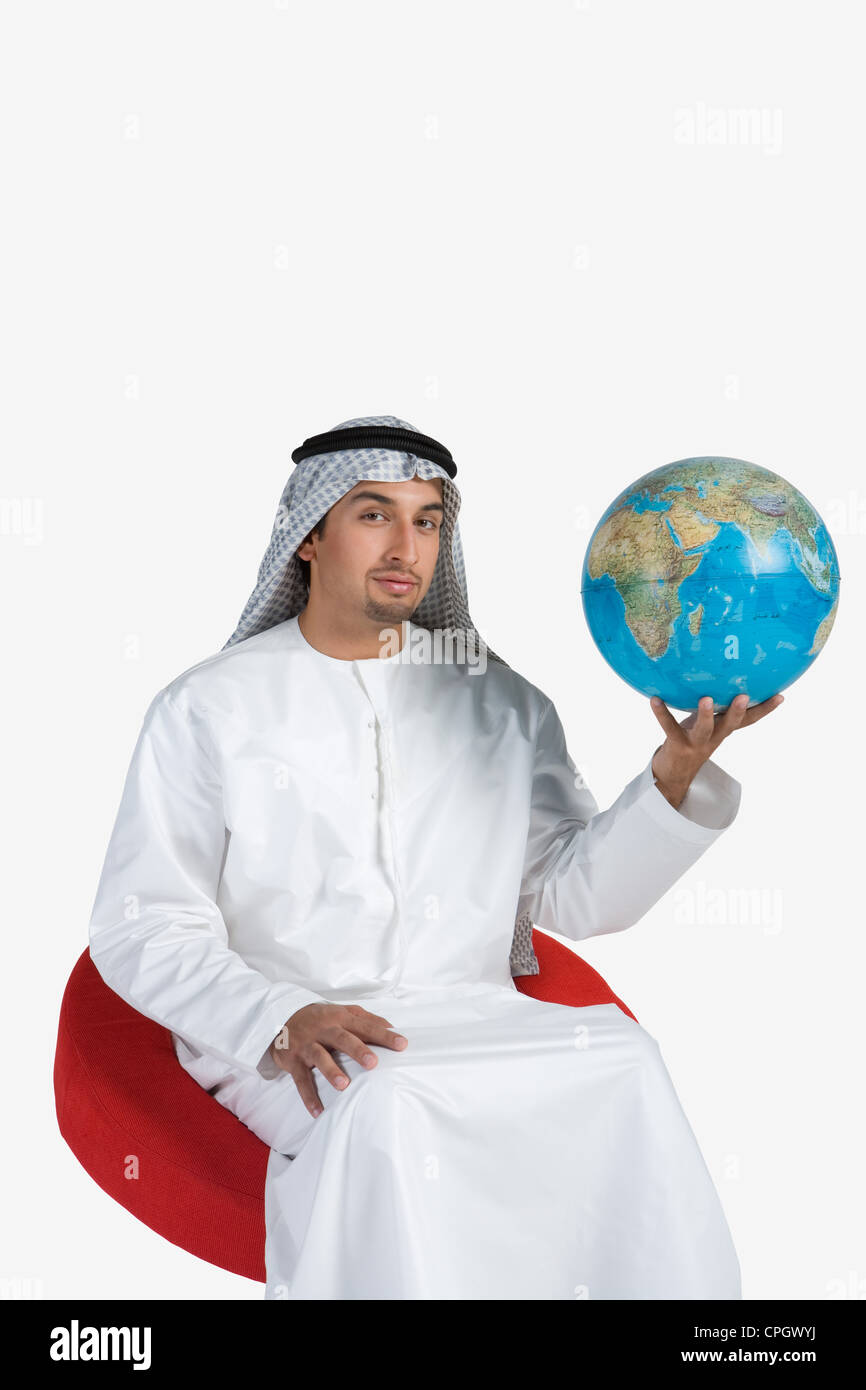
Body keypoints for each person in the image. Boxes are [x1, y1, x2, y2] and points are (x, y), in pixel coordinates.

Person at [87, 414, 783, 1300]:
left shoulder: (501, 701)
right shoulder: (206, 707)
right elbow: (143, 924)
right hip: (288, 1036)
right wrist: (279, 1015)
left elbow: (575, 898)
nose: (404, 546)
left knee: (626, 1066)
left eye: (427, 522)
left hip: (472, 1010)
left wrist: (674, 780)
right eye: (374, 514)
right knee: (389, 1102)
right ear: (308, 535)